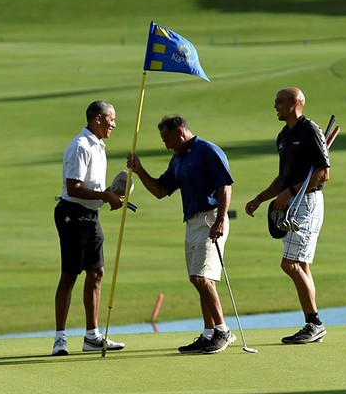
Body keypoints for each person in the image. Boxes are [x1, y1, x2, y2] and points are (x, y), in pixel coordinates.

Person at [126, 115, 236, 354]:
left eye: (167, 139)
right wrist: (139, 170)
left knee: (202, 278)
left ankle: (222, 330)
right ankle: (209, 334)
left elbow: (225, 186)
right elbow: (160, 190)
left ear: (179, 131)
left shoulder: (207, 150)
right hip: (192, 223)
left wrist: (219, 221)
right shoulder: (177, 159)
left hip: (211, 217)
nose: (165, 145)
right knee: (198, 279)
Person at [244, 87, 330, 344]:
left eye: (279, 102)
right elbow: (282, 177)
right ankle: (312, 323)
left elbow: (323, 174)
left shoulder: (310, 130)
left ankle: (314, 323)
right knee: (301, 264)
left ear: (295, 102)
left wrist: (289, 193)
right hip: (293, 202)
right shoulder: (283, 136)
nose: (275, 106)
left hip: (307, 202)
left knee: (290, 264)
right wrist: (260, 198)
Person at [52, 100, 126, 356]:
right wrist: (105, 196)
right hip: (72, 214)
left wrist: (108, 195)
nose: (114, 124)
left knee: (96, 272)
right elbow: (73, 187)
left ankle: (91, 336)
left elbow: (91, 188)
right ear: (97, 119)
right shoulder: (81, 146)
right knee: (70, 274)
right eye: (110, 119)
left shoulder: (98, 146)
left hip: (90, 215)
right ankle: (60, 339)